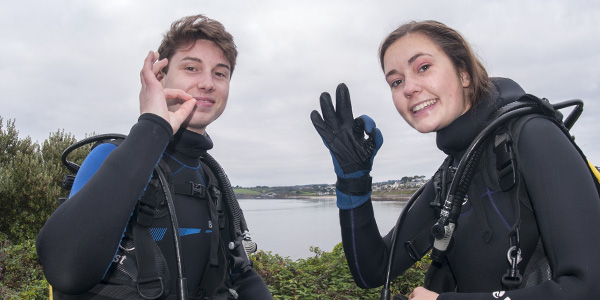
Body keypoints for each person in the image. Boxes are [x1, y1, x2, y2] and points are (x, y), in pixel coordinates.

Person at [311, 20, 600, 299]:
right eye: (396, 81)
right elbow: (372, 271)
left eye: (423, 67)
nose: (408, 88)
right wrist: (353, 183)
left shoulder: (534, 136)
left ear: (464, 73)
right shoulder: (451, 177)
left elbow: (587, 288)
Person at [37, 14, 273, 299]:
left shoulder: (211, 178)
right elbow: (65, 271)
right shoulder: (111, 157)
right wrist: (153, 125)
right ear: (160, 77)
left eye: (220, 73)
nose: (208, 83)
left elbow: (239, 274)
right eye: (192, 68)